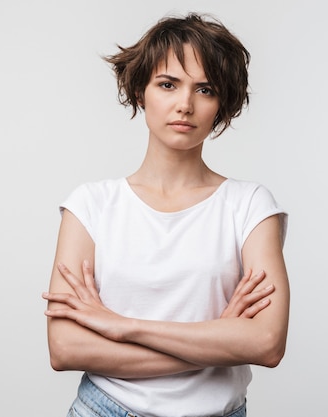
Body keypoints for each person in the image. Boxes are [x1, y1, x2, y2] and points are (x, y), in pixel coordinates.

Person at [42, 12, 290, 417]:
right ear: (141, 91)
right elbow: (66, 348)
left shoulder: (249, 206)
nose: (185, 105)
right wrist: (219, 340)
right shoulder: (91, 205)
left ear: (221, 104)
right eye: (168, 84)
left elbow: (266, 343)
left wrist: (125, 327)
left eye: (205, 89)